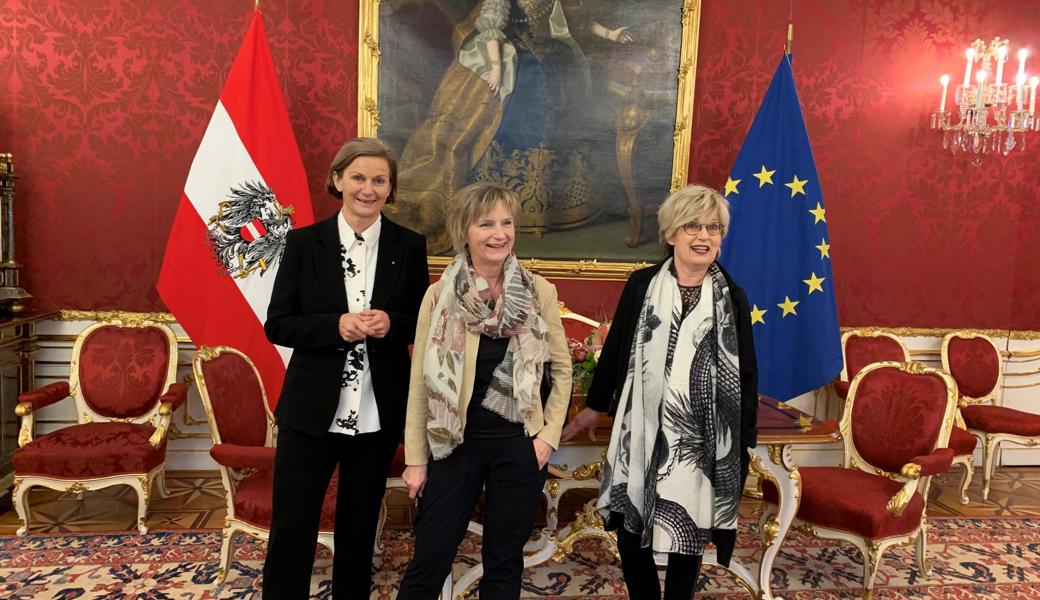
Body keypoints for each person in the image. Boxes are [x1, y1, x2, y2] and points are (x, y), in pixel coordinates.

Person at [561, 184, 759, 599]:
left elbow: (746, 374)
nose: (703, 236)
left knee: (688, 532)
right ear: (670, 234)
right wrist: (593, 408)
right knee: (632, 530)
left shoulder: (732, 297)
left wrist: (743, 441)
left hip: (700, 442)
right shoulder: (642, 285)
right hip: (642, 431)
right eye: (692, 226)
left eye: (713, 227)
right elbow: (614, 352)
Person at [262, 137, 429, 599]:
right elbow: (278, 324)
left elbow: (423, 320)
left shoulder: (410, 246)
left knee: (358, 529)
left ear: (391, 188)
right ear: (337, 180)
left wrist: (392, 322)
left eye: (379, 180)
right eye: (358, 177)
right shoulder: (302, 244)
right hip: (310, 412)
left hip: (376, 414)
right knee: (293, 524)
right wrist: (334, 326)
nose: (368, 189)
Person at [397, 182, 572, 599]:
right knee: (430, 558)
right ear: (465, 232)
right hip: (454, 446)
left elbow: (562, 369)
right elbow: (420, 382)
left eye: (507, 222)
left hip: (518, 446)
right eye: (486, 223)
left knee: (505, 561)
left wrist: (546, 437)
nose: (499, 233)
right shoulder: (439, 296)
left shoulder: (539, 292)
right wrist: (416, 460)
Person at [394, 0, 632, 252]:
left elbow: (579, 20)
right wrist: (496, 68)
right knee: (516, 111)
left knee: (564, 111)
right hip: (511, 57)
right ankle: (499, 207)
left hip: (553, 57)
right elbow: (491, 29)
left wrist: (610, 34)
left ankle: (554, 207)